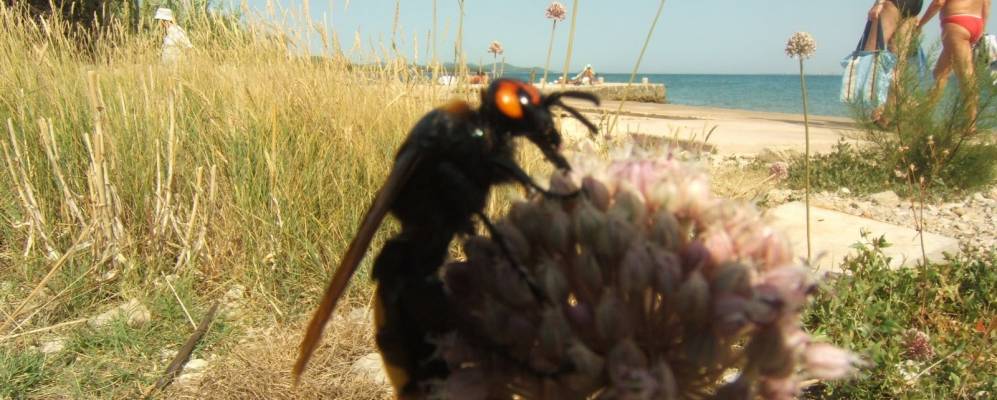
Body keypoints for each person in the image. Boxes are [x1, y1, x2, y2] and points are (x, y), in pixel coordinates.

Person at [919, 0, 991, 124]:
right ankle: (924, 114)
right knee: (940, 74)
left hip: (956, 22)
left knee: (966, 75)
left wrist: (920, 24)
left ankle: (971, 123)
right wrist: (981, 30)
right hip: (976, 21)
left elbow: (938, 2)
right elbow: (986, 4)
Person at [866, 0, 925, 126]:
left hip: (894, 3)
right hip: (915, 6)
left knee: (871, 55)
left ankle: (906, 101)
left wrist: (879, 3)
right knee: (897, 65)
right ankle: (886, 116)